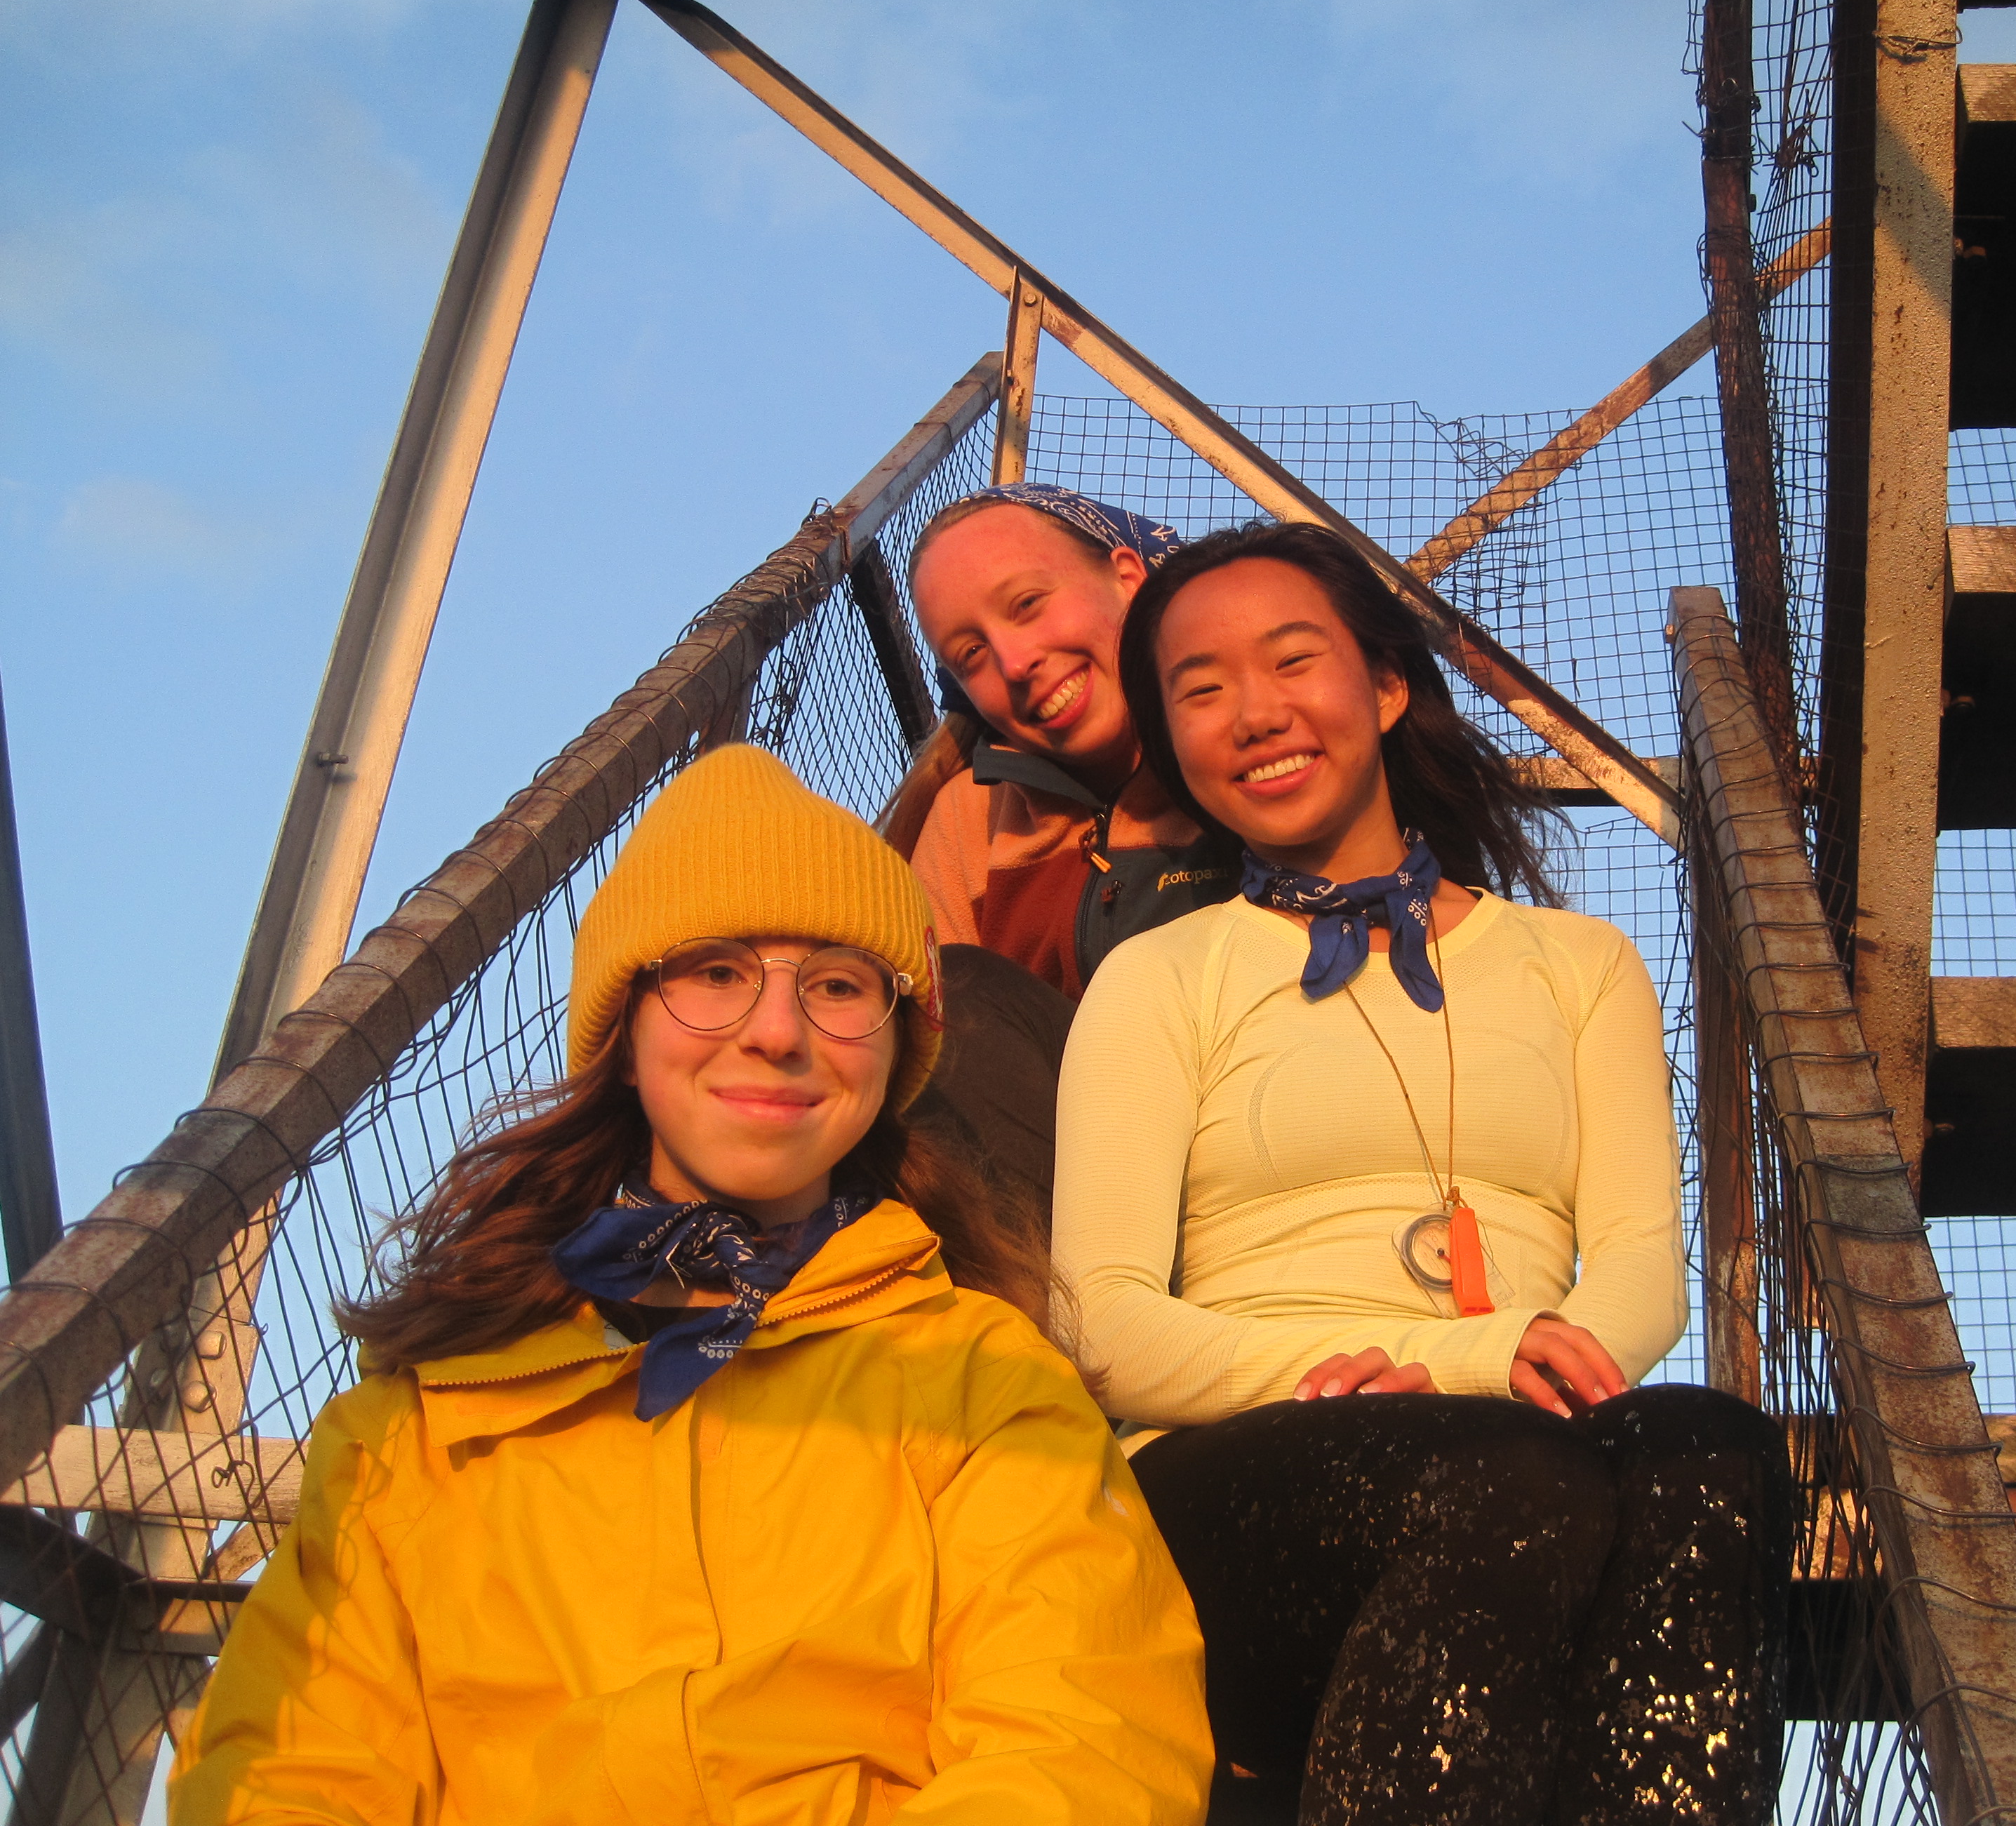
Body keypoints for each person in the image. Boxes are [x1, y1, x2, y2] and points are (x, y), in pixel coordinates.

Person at [172, 743, 1214, 1826]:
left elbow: (1084, 1743)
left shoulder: (980, 1380)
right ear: (625, 1035)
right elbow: (288, 1779)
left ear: (897, 1045)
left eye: (840, 985)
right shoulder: (415, 1432)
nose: (777, 1031)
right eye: (716, 971)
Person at [1050, 524, 1789, 1825]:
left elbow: (1636, 1266)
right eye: (1199, 689)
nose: (1254, 713)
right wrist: (1440, 1362)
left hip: (1528, 1434)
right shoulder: (1160, 976)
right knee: (1512, 1477)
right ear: (1171, 745)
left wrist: (1521, 1368)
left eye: (1292, 661)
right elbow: (1099, 1320)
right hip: (1241, 1460)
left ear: (1386, 688)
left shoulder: (1577, 963)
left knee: (1706, 1449)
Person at [890, 484, 1235, 1001]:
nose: (1014, 662)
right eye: (971, 654)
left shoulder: (1251, 735)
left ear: (1127, 579)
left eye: (1027, 604)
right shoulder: (968, 821)